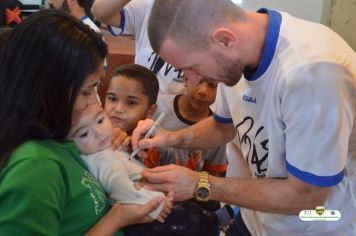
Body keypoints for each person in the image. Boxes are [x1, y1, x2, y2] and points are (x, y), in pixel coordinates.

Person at [131, 0, 356, 235]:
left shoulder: (313, 73)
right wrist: (170, 137)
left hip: (314, 226)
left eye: (193, 67)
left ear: (225, 39)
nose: (193, 80)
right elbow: (223, 127)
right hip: (254, 216)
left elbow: (306, 196)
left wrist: (200, 184)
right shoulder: (235, 56)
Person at [0, 9, 167, 235]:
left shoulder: (62, 139)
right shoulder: (35, 167)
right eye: (87, 91)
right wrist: (117, 218)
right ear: (51, 88)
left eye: (96, 90)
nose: (93, 104)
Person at [67, 102, 171, 220]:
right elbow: (120, 188)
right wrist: (157, 202)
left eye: (100, 120)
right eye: (84, 134)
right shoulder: (102, 159)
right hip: (149, 206)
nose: (99, 132)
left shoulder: (100, 149)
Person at [92, 0, 185, 95]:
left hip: (185, 106)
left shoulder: (199, 13)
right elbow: (100, 12)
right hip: (141, 103)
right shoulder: (149, 6)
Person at [149, 76, 227, 176]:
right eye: (198, 81)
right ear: (186, 78)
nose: (203, 91)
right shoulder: (155, 107)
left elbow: (214, 175)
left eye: (213, 85)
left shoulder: (219, 131)